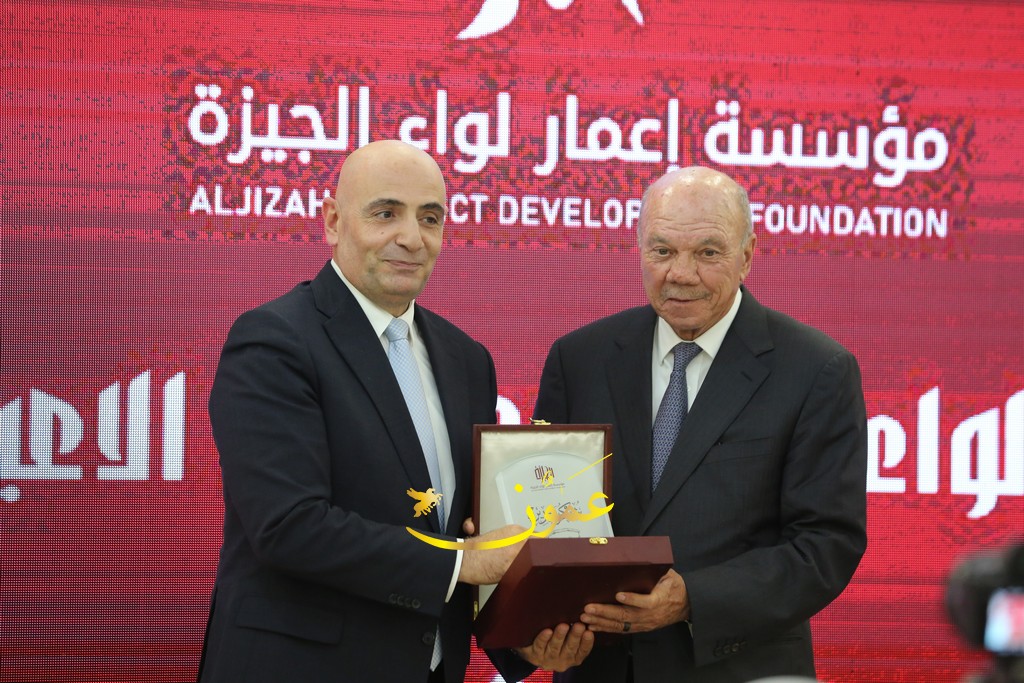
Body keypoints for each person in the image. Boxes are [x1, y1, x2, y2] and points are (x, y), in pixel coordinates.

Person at [196, 140, 584, 683]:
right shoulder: (274, 341)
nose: (412, 238)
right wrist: (462, 561)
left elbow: (470, 530)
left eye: (430, 218)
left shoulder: (467, 360)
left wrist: (524, 640)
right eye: (386, 213)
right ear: (333, 221)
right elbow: (288, 526)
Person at [532, 167, 868, 682]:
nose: (681, 274)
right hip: (596, 667)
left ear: (747, 255)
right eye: (662, 251)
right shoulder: (579, 359)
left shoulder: (816, 370)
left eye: (708, 253)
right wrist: (533, 635)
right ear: (639, 249)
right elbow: (541, 513)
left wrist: (693, 598)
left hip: (738, 668)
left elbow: (825, 544)